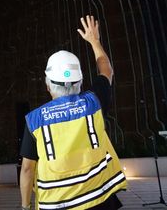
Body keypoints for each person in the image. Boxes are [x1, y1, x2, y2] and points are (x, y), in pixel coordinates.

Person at [20, 15, 127, 210]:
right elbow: (106, 70)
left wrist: (25, 206)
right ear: (80, 81)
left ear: (47, 85)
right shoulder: (93, 103)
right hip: (99, 199)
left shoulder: (34, 120)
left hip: (56, 204)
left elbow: (27, 169)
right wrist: (94, 41)